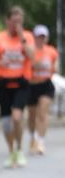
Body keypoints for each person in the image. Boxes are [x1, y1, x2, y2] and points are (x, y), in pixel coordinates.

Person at [0, 7, 35, 168]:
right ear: (7, 21)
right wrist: (1, 62)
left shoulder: (27, 36)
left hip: (21, 82)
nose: (17, 25)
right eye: (14, 22)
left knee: (17, 117)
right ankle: (11, 151)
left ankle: (20, 149)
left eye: (20, 22)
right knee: (6, 123)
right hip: (4, 82)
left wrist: (22, 37)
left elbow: (32, 57)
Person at [27, 24, 59, 155]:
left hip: (46, 84)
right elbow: (29, 66)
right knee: (32, 115)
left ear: (47, 38)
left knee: (42, 113)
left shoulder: (51, 51)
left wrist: (52, 67)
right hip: (31, 85)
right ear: (34, 38)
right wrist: (36, 65)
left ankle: (40, 141)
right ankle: (32, 137)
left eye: (43, 37)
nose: (41, 39)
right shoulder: (30, 50)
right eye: (39, 37)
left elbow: (55, 67)